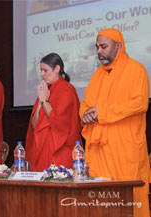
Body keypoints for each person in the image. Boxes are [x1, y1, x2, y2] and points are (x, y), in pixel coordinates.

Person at [79, 28, 150, 217]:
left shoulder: (136, 70)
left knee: (130, 203)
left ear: (118, 46)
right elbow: (86, 103)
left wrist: (101, 112)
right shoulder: (97, 76)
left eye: (103, 47)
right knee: (100, 202)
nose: (99, 51)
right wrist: (85, 113)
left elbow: (139, 104)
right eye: (97, 47)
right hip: (99, 152)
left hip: (124, 151)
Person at [25, 53, 81, 172]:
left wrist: (45, 100)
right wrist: (41, 101)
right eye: (41, 70)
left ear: (57, 69)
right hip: (41, 150)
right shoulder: (45, 90)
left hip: (59, 152)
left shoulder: (67, 90)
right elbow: (34, 124)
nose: (42, 74)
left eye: (45, 70)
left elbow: (58, 122)